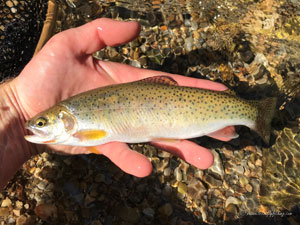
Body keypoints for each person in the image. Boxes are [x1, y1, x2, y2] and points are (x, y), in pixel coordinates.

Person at [0, 18, 233, 191]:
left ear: (64, 119)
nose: (34, 126)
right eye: (40, 122)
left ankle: (241, 118)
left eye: (42, 123)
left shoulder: (78, 126)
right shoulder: (70, 119)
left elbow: (95, 137)